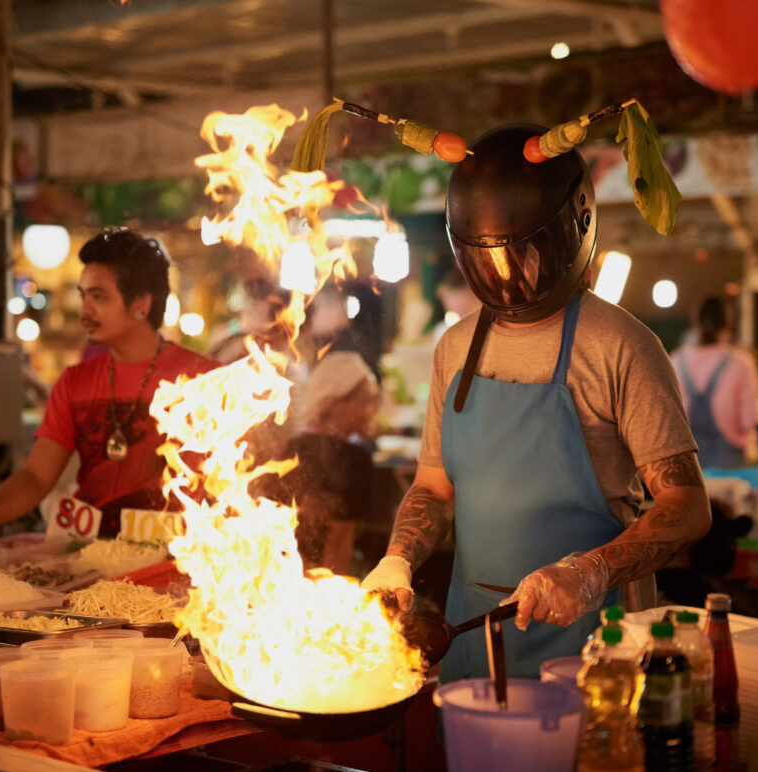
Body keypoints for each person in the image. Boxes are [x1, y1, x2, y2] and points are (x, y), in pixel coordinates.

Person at [361, 123, 711, 682]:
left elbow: (688, 507)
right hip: (473, 636)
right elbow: (432, 486)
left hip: (596, 643)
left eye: (523, 254)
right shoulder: (455, 347)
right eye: (487, 259)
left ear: (570, 231)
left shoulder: (621, 345)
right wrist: (398, 558)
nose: (507, 277)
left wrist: (589, 573)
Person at [0, 227, 219, 568]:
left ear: (141, 304)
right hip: (90, 560)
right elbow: (36, 476)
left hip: (179, 561)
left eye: (99, 297)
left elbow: (228, 482)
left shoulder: (204, 379)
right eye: (83, 296)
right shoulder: (74, 383)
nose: (85, 311)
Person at [255, 350, 379, 574]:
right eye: (367, 400)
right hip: (319, 583)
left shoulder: (287, 449)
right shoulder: (354, 460)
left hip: (274, 576)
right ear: (335, 402)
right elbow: (339, 543)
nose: (373, 411)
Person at [671, 295, 758, 470]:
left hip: (686, 468)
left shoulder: (675, 360)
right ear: (728, 325)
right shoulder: (741, 362)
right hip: (731, 467)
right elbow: (749, 421)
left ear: (695, 323)